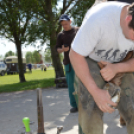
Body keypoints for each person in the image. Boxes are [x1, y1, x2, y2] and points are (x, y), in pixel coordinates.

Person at [69, 1, 134, 134]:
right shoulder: (99, 18)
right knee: (90, 108)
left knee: (132, 107)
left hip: (123, 59)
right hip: (90, 58)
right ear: (129, 19)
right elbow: (75, 54)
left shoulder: (130, 26)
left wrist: (117, 68)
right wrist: (95, 92)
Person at [56, 14, 79, 113]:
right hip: (68, 63)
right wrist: (63, 49)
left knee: (83, 83)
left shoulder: (78, 30)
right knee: (71, 85)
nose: (64, 26)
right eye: (62, 24)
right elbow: (57, 49)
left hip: (80, 61)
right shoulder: (61, 35)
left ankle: (84, 104)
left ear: (70, 21)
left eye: (66, 23)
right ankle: (74, 105)